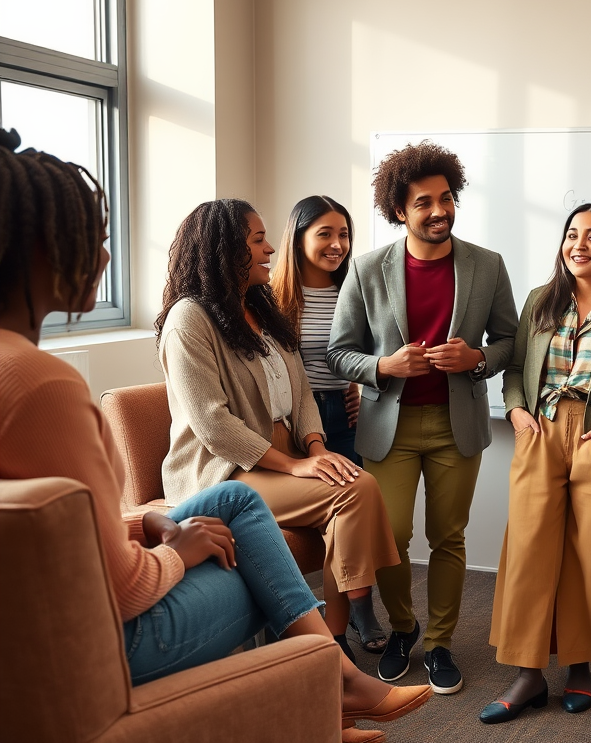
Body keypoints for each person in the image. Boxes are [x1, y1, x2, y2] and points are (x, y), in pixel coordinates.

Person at [0, 128, 429, 743]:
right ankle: (328, 668)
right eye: (92, 239)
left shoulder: (262, 312)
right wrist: (178, 550)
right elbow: (125, 586)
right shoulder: (46, 387)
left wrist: (145, 523)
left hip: (51, 616)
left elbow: (45, 527)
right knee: (264, 546)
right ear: (41, 250)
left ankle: (333, 675)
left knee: (254, 505)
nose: (104, 258)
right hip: (101, 638)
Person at [155, 199, 405, 672]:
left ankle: (329, 642)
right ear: (225, 248)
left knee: (352, 486)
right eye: (257, 240)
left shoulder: (262, 309)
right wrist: (294, 465)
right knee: (356, 492)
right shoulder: (189, 319)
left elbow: (303, 392)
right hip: (225, 472)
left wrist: (314, 447)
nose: (271, 248)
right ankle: (332, 642)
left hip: (285, 453)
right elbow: (213, 424)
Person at [328, 141, 519, 694]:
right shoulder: (367, 269)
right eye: (424, 203)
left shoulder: (487, 265)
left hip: (457, 423)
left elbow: (510, 341)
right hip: (389, 426)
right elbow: (340, 352)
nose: (439, 210)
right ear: (399, 211)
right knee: (388, 535)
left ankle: (439, 643)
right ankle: (403, 630)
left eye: (447, 198)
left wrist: (477, 358)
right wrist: (384, 364)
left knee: (447, 536)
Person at [481, 203, 591, 723]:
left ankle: (580, 667)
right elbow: (514, 369)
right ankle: (528, 674)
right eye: (571, 235)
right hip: (539, 433)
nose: (578, 244)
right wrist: (516, 411)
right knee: (529, 554)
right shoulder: (541, 301)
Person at [272, 194, 387, 653]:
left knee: (351, 515)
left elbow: (362, 352)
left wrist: (358, 388)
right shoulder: (273, 300)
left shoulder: (353, 290)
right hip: (293, 419)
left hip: (342, 411)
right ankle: (322, 623)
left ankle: (360, 612)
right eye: (325, 234)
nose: (337, 244)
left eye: (344, 234)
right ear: (297, 238)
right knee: (331, 508)